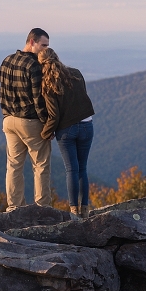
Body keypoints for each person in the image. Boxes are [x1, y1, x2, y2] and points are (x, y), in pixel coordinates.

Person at [37, 48, 95, 219]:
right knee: (82, 168)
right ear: (57, 57)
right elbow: (82, 96)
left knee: (71, 170)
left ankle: (74, 211)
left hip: (66, 130)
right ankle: (85, 208)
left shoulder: (47, 84)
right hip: (86, 124)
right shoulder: (76, 73)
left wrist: (45, 133)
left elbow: (54, 115)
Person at [0, 28, 52, 211]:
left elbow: (2, 93)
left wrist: (6, 114)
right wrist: (47, 124)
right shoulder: (34, 66)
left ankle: (14, 207)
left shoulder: (6, 61)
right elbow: (38, 99)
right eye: (43, 45)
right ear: (32, 42)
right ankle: (42, 207)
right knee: (41, 165)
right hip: (29, 121)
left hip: (9, 120)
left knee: (14, 165)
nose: (45, 49)